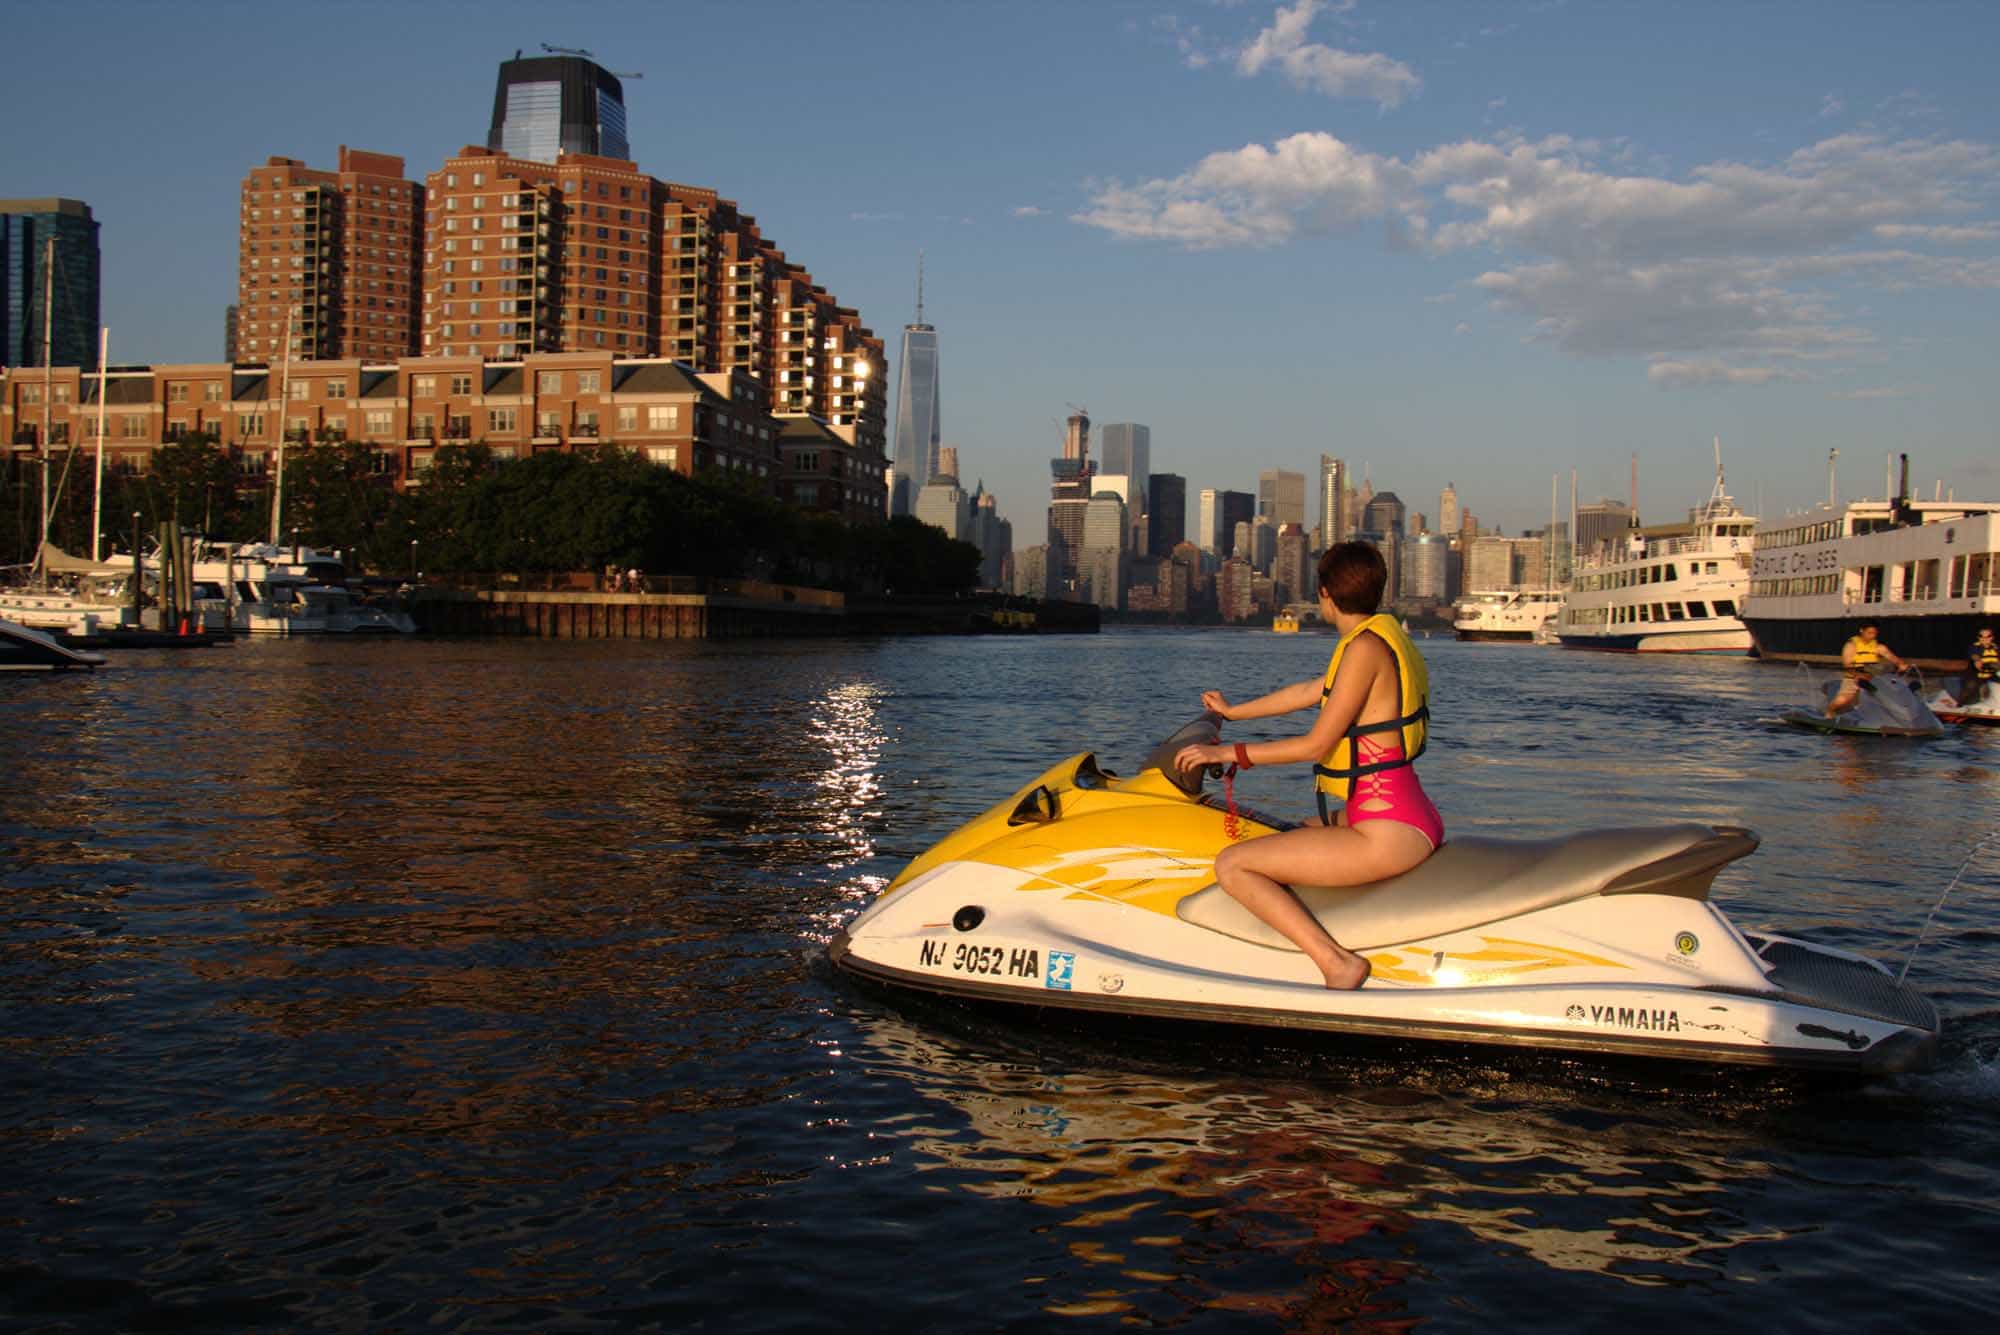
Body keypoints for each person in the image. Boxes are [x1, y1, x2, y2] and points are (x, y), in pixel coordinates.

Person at [1175, 542, 1441, 990]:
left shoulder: (1363, 649)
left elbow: (1317, 745)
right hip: (1399, 812)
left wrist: (1227, 753)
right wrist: (1234, 712)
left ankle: (1335, 962)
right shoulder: (1380, 638)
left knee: (1234, 865)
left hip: (1387, 830)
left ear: (1324, 594)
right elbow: (1306, 691)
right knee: (1278, 834)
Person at [1826, 622, 1908, 719]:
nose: (1872, 636)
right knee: (1843, 700)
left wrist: (1901, 664)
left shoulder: (1879, 647)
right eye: (1869, 633)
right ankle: (1829, 713)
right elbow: (1847, 664)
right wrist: (1860, 673)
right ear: (1862, 630)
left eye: (1874, 633)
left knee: (1890, 699)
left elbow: (1892, 657)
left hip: (1873, 680)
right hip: (1853, 679)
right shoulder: (1851, 645)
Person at [1964, 626, 1998, 706]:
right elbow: (1974, 655)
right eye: (1981, 636)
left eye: (1988, 636)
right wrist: (1977, 660)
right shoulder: (1974, 647)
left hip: (1992, 675)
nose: (1984, 638)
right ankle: (1961, 703)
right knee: (1971, 686)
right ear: (1978, 637)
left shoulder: (1996, 648)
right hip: (1978, 676)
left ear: (1992, 637)